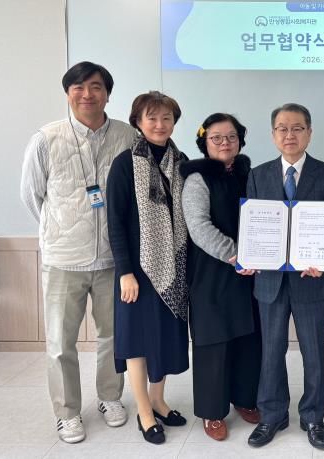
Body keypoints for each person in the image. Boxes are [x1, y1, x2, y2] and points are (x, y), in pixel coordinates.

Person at [20, 61, 136, 443]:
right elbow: (32, 195)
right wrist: (59, 229)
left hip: (113, 259)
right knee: (60, 342)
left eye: (96, 87)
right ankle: (67, 412)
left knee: (113, 336)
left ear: (108, 94)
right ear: (68, 93)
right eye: (79, 87)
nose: (88, 94)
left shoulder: (127, 136)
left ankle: (110, 397)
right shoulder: (46, 138)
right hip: (63, 260)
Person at [246, 103, 324, 450]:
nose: (290, 135)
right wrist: (251, 255)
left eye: (297, 128)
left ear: (309, 133)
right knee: (271, 351)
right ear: (273, 135)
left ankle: (313, 416)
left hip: (312, 280)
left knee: (314, 353)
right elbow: (253, 226)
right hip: (270, 282)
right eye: (282, 128)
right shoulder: (257, 175)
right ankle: (272, 415)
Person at [106, 91, 190, 445]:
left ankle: (158, 399)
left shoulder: (181, 161)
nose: (160, 124)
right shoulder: (125, 164)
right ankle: (143, 410)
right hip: (137, 271)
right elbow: (115, 222)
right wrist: (125, 271)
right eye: (151, 117)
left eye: (166, 117)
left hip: (173, 266)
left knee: (164, 337)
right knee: (138, 341)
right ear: (138, 122)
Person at [180, 113, 262, 441]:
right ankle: (212, 411)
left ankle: (245, 398)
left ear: (240, 140)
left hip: (250, 272)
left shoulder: (250, 175)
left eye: (231, 136)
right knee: (213, 341)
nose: (225, 143)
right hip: (212, 272)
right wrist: (235, 254)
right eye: (216, 137)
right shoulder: (197, 179)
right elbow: (198, 226)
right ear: (205, 142)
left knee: (248, 337)